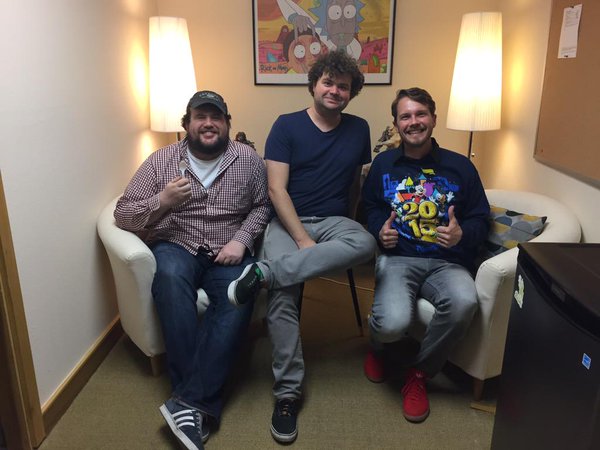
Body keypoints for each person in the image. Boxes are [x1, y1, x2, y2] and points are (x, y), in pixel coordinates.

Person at [227, 50, 377, 443]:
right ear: (314, 85)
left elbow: (355, 184)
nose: (335, 91)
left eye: (343, 86)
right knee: (282, 296)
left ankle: (265, 272)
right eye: (328, 82)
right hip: (288, 218)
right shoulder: (287, 125)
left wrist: (346, 222)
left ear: (351, 93)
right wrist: (303, 240)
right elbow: (276, 190)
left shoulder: (359, 129)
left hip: (333, 220)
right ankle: (287, 394)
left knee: (365, 241)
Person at [114, 90, 271, 450]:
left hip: (228, 249)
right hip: (176, 244)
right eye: (201, 116)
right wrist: (163, 200)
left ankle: (185, 403)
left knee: (238, 295)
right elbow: (123, 214)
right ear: (187, 124)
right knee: (169, 280)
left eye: (216, 117)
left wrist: (242, 240)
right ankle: (196, 403)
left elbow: (262, 206)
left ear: (227, 123)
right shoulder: (160, 161)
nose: (208, 123)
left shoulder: (248, 159)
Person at [361, 87, 490, 423]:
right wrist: (379, 230)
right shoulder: (383, 165)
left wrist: (462, 234)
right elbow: (370, 207)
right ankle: (378, 346)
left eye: (420, 114)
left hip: (448, 261)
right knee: (391, 325)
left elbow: (481, 218)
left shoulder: (460, 167)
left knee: (464, 303)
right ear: (396, 124)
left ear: (433, 118)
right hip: (398, 258)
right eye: (405, 116)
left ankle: (418, 373)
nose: (413, 122)